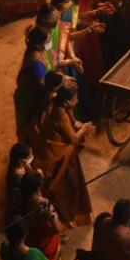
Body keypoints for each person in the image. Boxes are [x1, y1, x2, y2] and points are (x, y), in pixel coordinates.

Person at [27, 85, 94, 227]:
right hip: (59, 155)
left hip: (48, 149)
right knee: (65, 186)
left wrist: (75, 123)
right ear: (66, 103)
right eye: (74, 100)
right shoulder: (61, 116)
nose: (76, 102)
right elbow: (72, 139)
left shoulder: (53, 102)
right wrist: (83, 129)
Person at [18, 172, 70, 260]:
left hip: (31, 237)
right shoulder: (43, 203)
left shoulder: (19, 199)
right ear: (37, 187)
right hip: (46, 240)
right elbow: (58, 228)